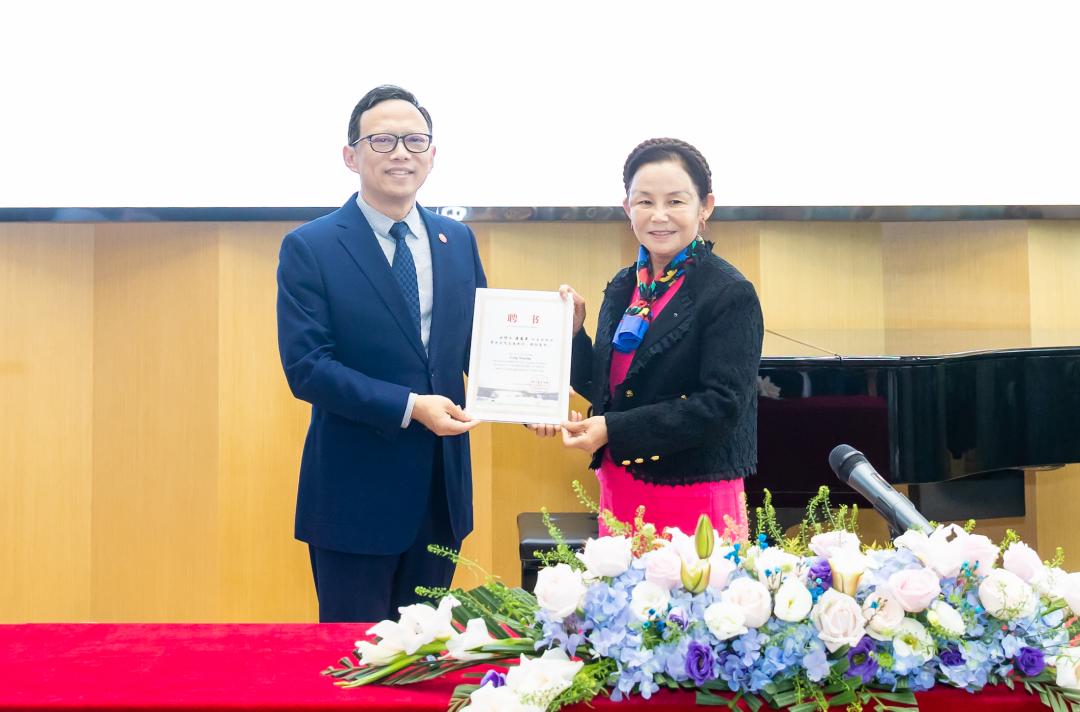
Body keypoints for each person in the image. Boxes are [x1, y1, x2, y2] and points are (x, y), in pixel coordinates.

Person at [277, 85, 486, 622]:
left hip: (440, 495)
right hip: (354, 497)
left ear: (432, 156)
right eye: (383, 140)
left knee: (426, 654)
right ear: (351, 156)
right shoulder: (311, 246)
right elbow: (307, 368)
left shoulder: (457, 240)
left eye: (415, 141)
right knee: (356, 656)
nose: (401, 153)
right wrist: (412, 406)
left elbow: (478, 348)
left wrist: (532, 400)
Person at [533, 138, 763, 540]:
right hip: (620, 485)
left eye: (675, 201)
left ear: (705, 206)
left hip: (695, 491)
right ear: (627, 208)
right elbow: (607, 389)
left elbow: (722, 405)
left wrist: (613, 430)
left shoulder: (729, 292)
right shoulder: (625, 286)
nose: (659, 216)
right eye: (644, 202)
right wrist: (574, 335)